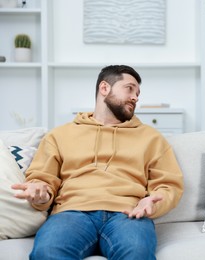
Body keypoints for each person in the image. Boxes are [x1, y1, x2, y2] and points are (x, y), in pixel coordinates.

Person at [11, 65, 184, 259]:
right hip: (72, 212)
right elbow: (42, 179)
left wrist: (154, 203)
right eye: (129, 88)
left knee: (137, 254)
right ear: (104, 88)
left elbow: (168, 185)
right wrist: (40, 194)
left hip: (128, 213)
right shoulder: (59, 135)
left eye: (138, 93)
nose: (135, 97)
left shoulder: (151, 137)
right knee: (47, 253)